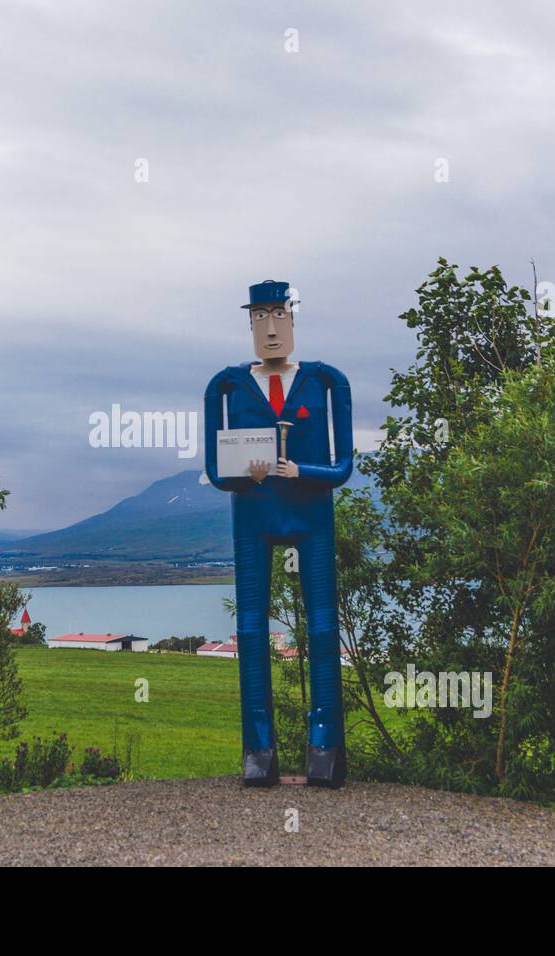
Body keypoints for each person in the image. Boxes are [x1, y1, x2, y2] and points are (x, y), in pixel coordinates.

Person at [203, 280, 353, 787]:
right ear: (249, 324)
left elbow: (344, 466)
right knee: (249, 628)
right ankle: (258, 752)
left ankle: (325, 750)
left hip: (312, 517)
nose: (270, 329)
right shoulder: (225, 386)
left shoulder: (326, 380)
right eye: (259, 318)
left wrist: (301, 471)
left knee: (323, 625)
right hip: (253, 517)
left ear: (293, 319)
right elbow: (218, 472)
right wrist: (250, 475)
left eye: (279, 315)